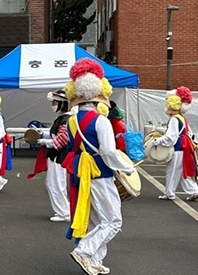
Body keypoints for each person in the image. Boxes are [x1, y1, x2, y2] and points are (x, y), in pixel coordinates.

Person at [62, 58, 135, 275]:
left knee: (96, 221)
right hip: (100, 173)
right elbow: (109, 153)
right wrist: (127, 168)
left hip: (81, 173)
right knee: (113, 220)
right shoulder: (101, 121)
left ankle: (94, 261)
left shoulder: (71, 121)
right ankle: (84, 252)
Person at [150, 86, 198, 201]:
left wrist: (157, 141)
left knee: (173, 171)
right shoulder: (182, 118)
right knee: (184, 170)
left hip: (178, 148)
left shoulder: (174, 119)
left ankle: (169, 193)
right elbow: (189, 133)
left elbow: (170, 138)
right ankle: (194, 191)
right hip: (186, 147)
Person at [34, 89, 72, 222]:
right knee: (53, 183)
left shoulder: (67, 120)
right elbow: (54, 135)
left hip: (59, 156)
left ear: (62, 104)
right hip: (55, 155)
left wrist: (44, 142)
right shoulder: (61, 118)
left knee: (57, 183)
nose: (53, 105)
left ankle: (64, 213)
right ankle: (62, 211)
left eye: (55, 102)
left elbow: (62, 140)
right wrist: (42, 134)